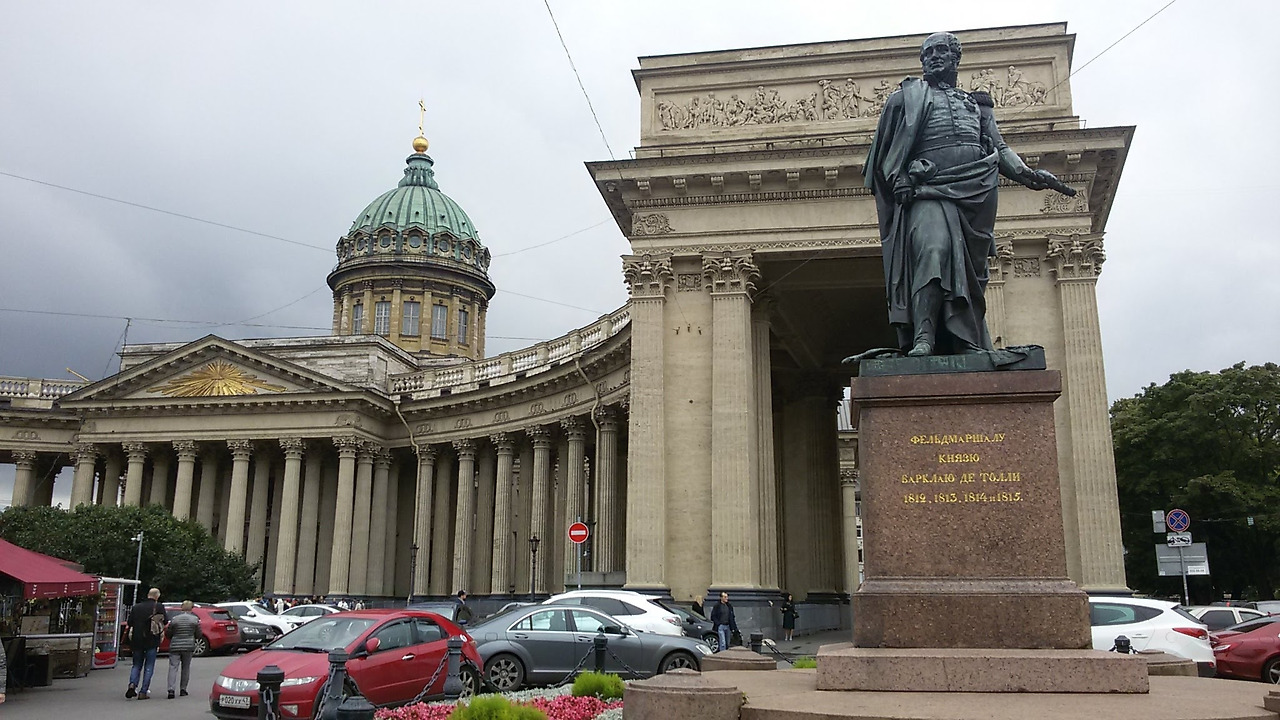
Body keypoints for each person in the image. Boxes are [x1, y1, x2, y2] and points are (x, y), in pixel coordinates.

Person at [864, 31, 1068, 356]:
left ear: (956, 57)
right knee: (933, 251)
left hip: (975, 194)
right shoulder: (904, 99)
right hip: (928, 190)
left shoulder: (977, 105)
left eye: (940, 50)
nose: (933, 57)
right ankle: (924, 337)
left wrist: (1029, 174)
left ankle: (964, 340)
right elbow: (882, 154)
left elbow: (999, 148)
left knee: (970, 273)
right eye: (927, 53)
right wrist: (899, 176)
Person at [125, 587, 167, 699]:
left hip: (137, 639)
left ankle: (132, 684)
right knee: (149, 666)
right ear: (157, 596)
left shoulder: (136, 607)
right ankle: (143, 691)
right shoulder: (158, 606)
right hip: (152, 640)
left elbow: (130, 622)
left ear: (148, 595)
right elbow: (165, 621)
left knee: (136, 665)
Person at [165, 600, 200, 699]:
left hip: (175, 645)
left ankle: (171, 689)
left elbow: (168, 633)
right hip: (188, 646)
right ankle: (183, 689)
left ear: (182, 608)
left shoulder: (175, 619)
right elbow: (198, 634)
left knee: (173, 667)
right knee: (186, 668)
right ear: (191, 608)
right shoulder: (195, 619)